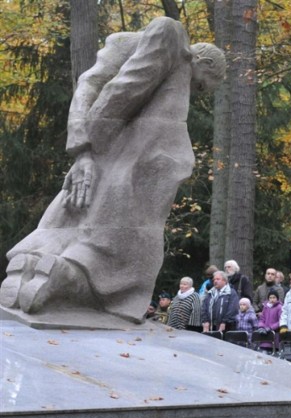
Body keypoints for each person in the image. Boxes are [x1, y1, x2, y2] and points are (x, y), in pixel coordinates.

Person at [0, 17, 225, 323]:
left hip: (104, 153)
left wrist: (83, 151)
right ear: (203, 60)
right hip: (139, 154)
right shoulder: (171, 37)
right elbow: (124, 88)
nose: (195, 93)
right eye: (200, 85)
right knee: (132, 242)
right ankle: (69, 274)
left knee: (77, 214)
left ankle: (36, 262)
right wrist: (87, 149)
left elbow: (89, 87)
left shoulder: (121, 44)